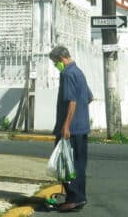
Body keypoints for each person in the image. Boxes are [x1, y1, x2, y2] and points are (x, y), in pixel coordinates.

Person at [49, 45, 91, 212]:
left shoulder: (67, 73)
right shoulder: (79, 72)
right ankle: (79, 197)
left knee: (66, 164)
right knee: (79, 165)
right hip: (82, 127)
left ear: (60, 59)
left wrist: (66, 125)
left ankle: (73, 199)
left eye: (54, 62)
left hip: (70, 129)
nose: (55, 65)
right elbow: (89, 97)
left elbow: (71, 101)